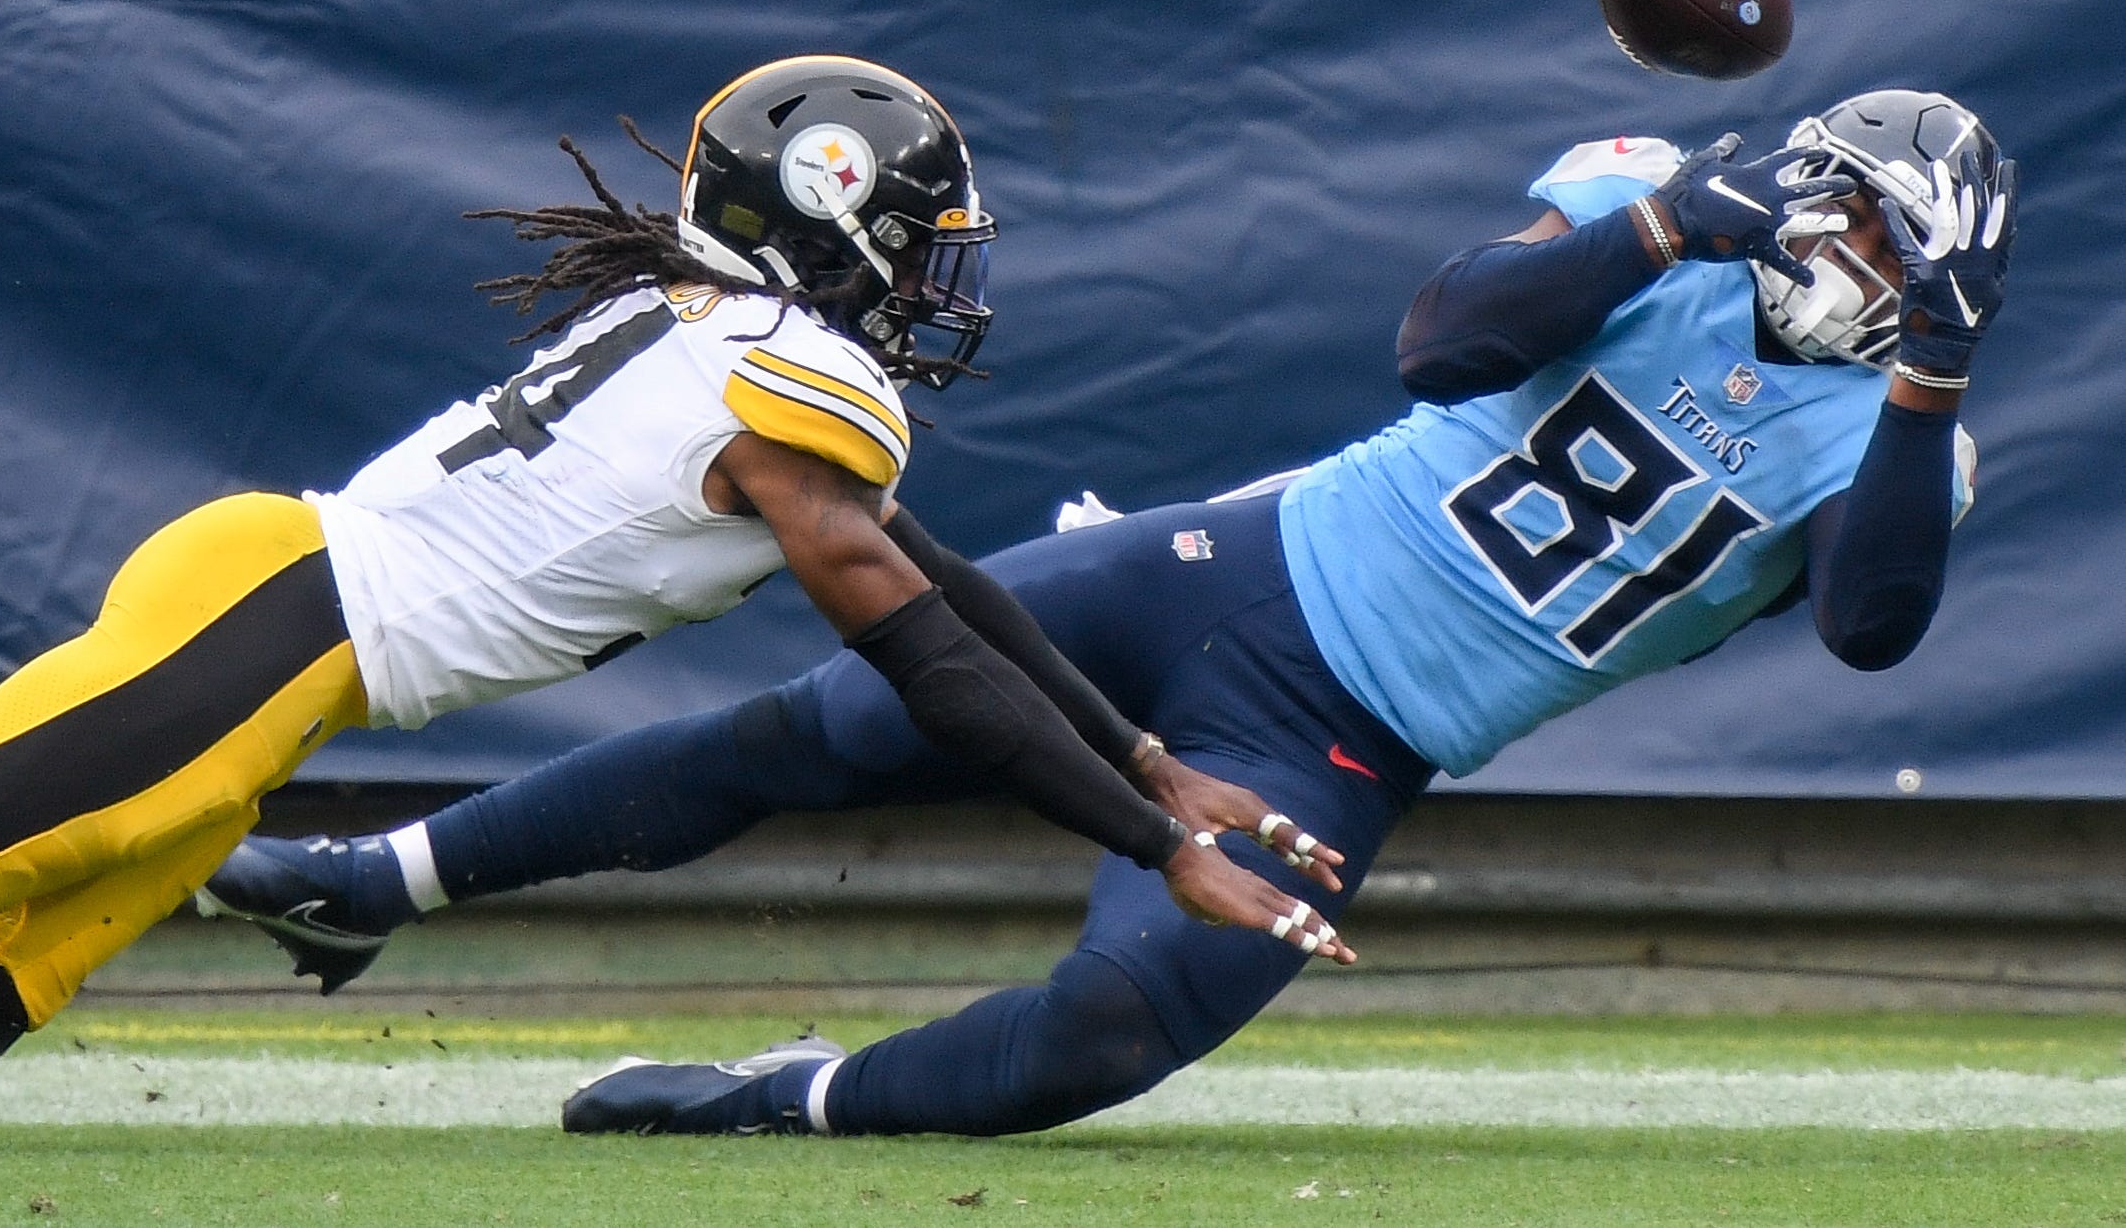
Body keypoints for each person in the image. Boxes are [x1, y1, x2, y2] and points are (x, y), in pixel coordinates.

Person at [199, 88, 2016, 1138]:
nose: (1830, 243)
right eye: (1833, 205)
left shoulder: (1904, 444)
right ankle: (375, 882)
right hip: (1220, 569)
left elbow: (1868, 629)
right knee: (825, 728)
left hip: (1348, 742)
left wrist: (1924, 382)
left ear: (1944, 281)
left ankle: (775, 1101)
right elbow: (1445, 342)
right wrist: (1660, 232)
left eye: (1881, 239)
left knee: (1110, 1036)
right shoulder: (1651, 212)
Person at [0, 55, 1352, 1064]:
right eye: (920, 252)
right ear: (832, 222)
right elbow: (933, 666)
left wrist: (1146, 760)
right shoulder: (784, 381)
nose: (939, 290)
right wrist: (1157, 849)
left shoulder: (732, 342)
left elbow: (965, 602)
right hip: (277, 624)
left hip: (286, 635)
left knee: (18, 970)